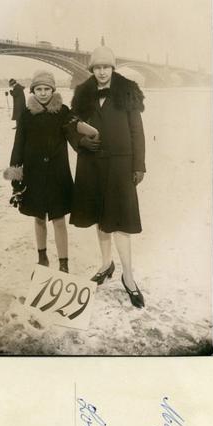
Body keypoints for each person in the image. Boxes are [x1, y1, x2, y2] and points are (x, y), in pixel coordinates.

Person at [68, 46, 146, 308]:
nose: (101, 72)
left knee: (122, 222)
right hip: (92, 165)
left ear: (113, 68)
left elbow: (137, 131)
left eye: (106, 67)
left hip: (120, 166)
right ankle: (105, 264)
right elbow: (69, 125)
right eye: (97, 68)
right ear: (92, 70)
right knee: (100, 218)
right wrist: (80, 142)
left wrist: (139, 165)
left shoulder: (127, 91)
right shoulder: (82, 94)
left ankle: (129, 276)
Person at [4, 70, 74, 273]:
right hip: (34, 175)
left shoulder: (63, 112)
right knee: (38, 217)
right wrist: (15, 177)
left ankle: (64, 264)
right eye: (39, 89)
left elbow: (75, 136)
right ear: (33, 91)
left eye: (47, 89)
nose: (43, 93)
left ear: (53, 90)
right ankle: (42, 258)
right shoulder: (26, 115)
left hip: (57, 175)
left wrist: (87, 139)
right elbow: (18, 146)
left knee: (59, 219)